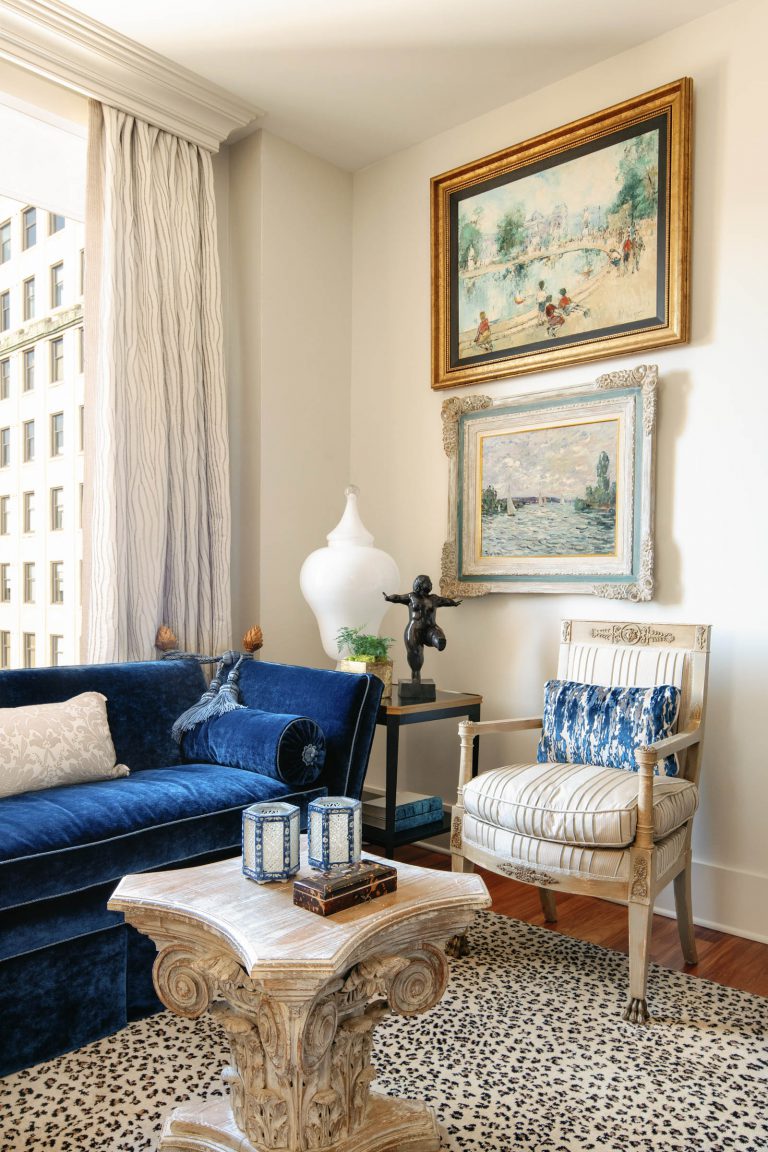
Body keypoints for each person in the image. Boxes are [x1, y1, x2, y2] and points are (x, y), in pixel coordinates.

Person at [383, 575, 461, 684]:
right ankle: (416, 675)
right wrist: (389, 598)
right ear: (419, 584)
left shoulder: (434, 598)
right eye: (428, 582)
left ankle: (438, 641)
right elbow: (398, 598)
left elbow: (445, 601)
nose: (431, 584)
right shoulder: (411, 597)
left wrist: (453, 603)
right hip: (414, 630)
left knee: (437, 634)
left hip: (430, 627)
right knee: (416, 653)